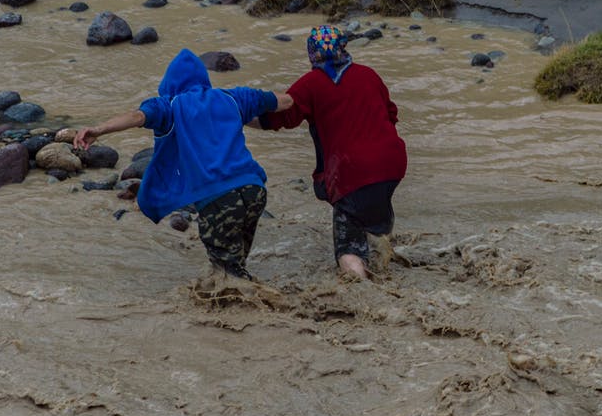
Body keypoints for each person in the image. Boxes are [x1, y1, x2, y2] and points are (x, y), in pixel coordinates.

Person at [75, 48, 292, 281]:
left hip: (218, 199)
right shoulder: (233, 98)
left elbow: (137, 117)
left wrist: (98, 129)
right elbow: (285, 101)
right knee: (235, 263)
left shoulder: (169, 106)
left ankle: (259, 308)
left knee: (227, 274)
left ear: (170, 82)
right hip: (254, 191)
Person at [259, 25, 407, 280]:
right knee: (373, 218)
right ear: (343, 47)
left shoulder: (311, 84)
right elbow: (391, 114)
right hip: (392, 163)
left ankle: (364, 294)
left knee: (348, 247)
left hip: (351, 172)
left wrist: (236, 114)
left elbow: (279, 118)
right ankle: (382, 258)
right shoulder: (369, 75)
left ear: (312, 53)